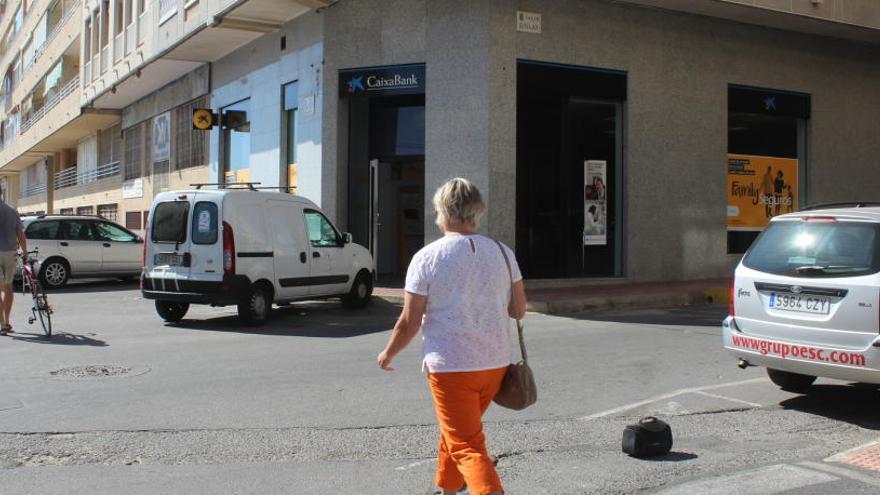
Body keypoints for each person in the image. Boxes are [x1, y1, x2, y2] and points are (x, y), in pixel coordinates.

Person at [377, 178, 527, 495]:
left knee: (467, 443)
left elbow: (409, 322)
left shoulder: (427, 257)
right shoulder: (503, 252)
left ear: (441, 212)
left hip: (451, 368)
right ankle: (447, 489)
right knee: (458, 433)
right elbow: (518, 310)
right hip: (495, 365)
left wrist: (388, 354)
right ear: (477, 211)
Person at [0, 194, 26, 335]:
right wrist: (26, 251)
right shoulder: (12, 211)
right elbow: (20, 233)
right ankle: (8, 321)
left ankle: (3, 324)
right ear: (1, 193)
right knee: (8, 287)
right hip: (10, 252)